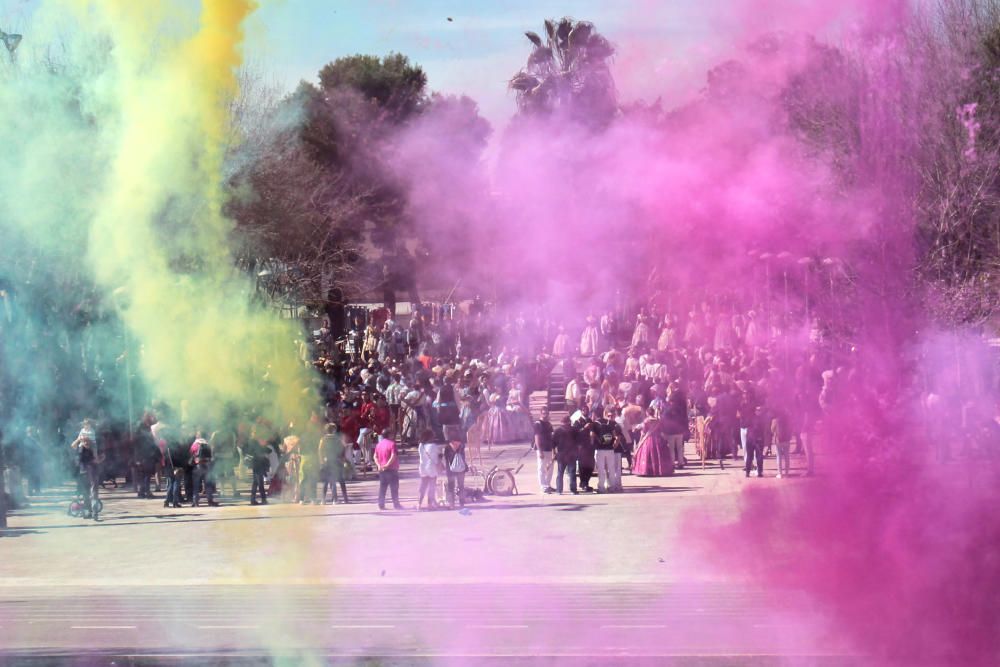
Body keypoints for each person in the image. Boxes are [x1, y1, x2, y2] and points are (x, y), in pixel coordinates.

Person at [633, 406, 674, 476]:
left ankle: (647, 471)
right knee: (659, 455)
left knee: (646, 455)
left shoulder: (646, 421)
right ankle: (659, 470)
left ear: (647, 413)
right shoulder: (658, 421)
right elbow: (661, 430)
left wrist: (639, 442)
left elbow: (643, 433)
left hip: (647, 440)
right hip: (658, 439)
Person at [593, 408, 625, 492]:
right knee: (609, 469)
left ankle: (613, 486)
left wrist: (615, 445)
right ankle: (611, 486)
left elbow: (618, 437)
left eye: (612, 415)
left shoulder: (615, 425)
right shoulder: (609, 424)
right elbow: (616, 436)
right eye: (609, 416)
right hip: (610, 450)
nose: (610, 417)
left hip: (611, 450)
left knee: (612, 470)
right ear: (605, 415)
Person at [319, 424, 349, 504]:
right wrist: (343, 459)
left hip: (327, 461)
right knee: (341, 480)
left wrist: (322, 460)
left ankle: (323, 500)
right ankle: (344, 499)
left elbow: (320, 450)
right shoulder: (338, 439)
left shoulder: (323, 439)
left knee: (326, 481)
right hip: (337, 461)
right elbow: (343, 448)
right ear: (334, 430)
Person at [374, 433, 404, 510]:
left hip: (382, 470)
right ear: (389, 435)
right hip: (392, 469)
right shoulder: (392, 444)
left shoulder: (378, 445)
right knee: (394, 488)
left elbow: (375, 456)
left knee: (382, 488)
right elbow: (393, 456)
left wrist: (378, 465)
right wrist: (387, 465)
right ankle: (396, 504)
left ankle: (381, 504)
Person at [190, 432, 218, 507]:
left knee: (196, 485)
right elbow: (212, 454)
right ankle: (210, 500)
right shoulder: (207, 444)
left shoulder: (195, 444)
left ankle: (195, 502)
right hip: (207, 465)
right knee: (208, 484)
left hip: (198, 466)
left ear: (198, 436)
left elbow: (191, 453)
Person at [553, 416, 578, 495]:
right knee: (572, 473)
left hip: (561, 454)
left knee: (560, 473)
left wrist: (554, 453)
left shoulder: (557, 430)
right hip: (571, 454)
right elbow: (579, 442)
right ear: (569, 422)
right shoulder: (574, 430)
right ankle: (573, 490)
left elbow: (553, 443)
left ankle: (559, 490)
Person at [417, 429, 442, 510]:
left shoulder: (421, 445)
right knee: (431, 487)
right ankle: (429, 504)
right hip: (431, 468)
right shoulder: (434, 446)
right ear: (430, 437)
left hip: (423, 468)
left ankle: (419, 504)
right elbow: (439, 456)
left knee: (423, 487)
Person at [533, 406, 555, 493]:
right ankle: (543, 486)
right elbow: (537, 438)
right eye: (543, 413)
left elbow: (552, 437)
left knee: (550, 467)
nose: (545, 415)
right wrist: (540, 451)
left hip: (549, 448)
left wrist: (554, 450)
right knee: (541, 468)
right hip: (541, 448)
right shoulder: (537, 424)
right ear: (540, 413)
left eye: (546, 413)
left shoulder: (549, 424)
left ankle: (548, 484)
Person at [444, 436, 468, 509]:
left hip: (451, 470)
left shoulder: (447, 448)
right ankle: (462, 503)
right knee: (461, 486)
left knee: (451, 487)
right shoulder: (461, 447)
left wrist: (445, 469)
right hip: (461, 469)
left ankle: (452, 504)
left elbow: (446, 459)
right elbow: (463, 458)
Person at [248, 435, 271, 506]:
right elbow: (267, 451)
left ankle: (253, 499)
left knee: (255, 483)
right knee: (259, 483)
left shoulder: (253, 442)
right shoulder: (255, 443)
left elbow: (269, 450)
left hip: (257, 464)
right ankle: (263, 499)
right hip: (258, 465)